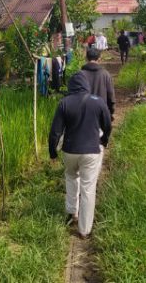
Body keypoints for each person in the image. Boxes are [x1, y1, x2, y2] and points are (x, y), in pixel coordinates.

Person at [49, 73, 112, 239]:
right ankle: (84, 230)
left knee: (71, 177)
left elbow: (55, 131)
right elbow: (108, 125)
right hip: (91, 151)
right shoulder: (98, 101)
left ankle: (72, 212)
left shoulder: (64, 103)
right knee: (88, 188)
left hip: (70, 150)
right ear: (86, 85)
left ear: (71, 86)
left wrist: (52, 151)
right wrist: (104, 140)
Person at [81, 47, 115, 117]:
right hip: (101, 112)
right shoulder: (105, 74)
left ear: (86, 58)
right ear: (99, 59)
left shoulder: (79, 75)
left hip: (84, 113)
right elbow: (110, 96)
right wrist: (110, 112)